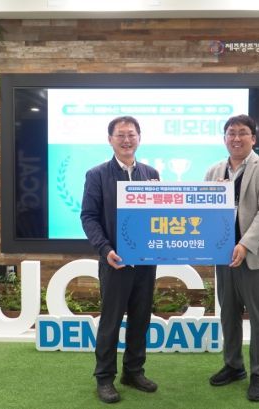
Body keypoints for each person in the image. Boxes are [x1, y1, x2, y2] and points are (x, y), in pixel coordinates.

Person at [204, 114, 259, 402]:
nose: (236, 138)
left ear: (253, 138)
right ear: (224, 138)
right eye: (231, 133)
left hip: (256, 256)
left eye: (242, 133)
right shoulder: (214, 171)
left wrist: (245, 244)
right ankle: (234, 366)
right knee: (228, 314)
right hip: (224, 256)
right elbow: (202, 212)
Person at [80, 116, 160, 404]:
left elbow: (159, 218)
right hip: (115, 261)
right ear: (110, 139)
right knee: (111, 322)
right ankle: (104, 378)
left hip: (145, 263)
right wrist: (105, 249)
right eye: (120, 135)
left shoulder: (151, 174)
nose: (127, 140)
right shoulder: (97, 175)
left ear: (139, 137)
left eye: (131, 134)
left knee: (141, 319)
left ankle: (133, 372)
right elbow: (89, 217)